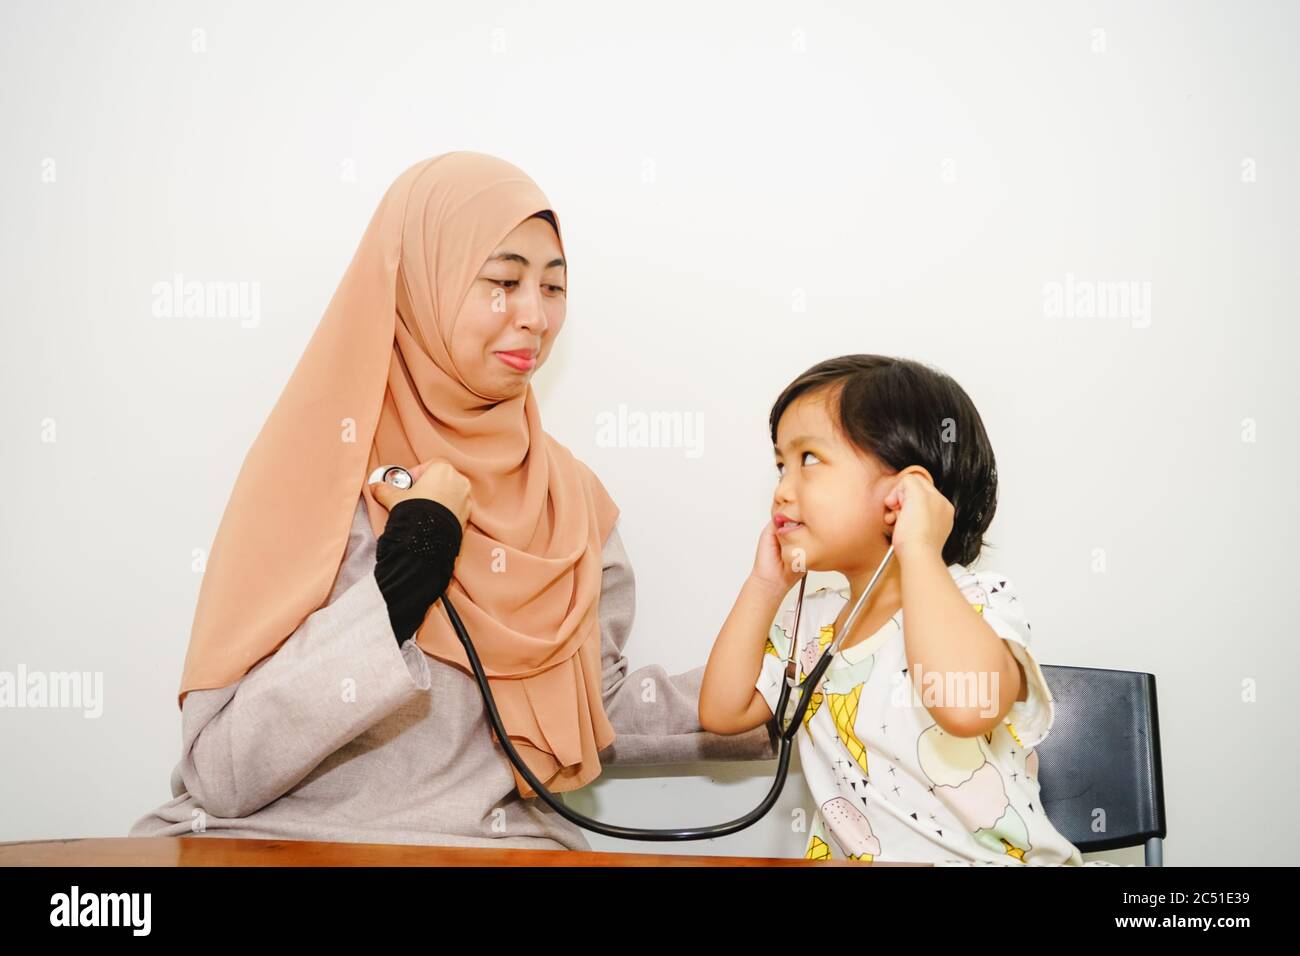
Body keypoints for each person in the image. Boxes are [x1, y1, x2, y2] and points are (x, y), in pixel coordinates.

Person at [129, 151, 774, 851]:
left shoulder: (573, 503)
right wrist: (403, 579)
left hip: (500, 851)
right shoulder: (318, 469)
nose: (534, 316)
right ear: (420, 284)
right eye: (502, 280)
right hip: (281, 843)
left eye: (553, 287)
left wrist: (804, 692)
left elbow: (596, 709)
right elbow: (223, 768)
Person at [700, 354, 1093, 865]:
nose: (781, 489)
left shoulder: (977, 602)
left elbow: (964, 707)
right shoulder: (815, 624)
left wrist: (921, 549)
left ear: (907, 492)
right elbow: (722, 712)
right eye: (781, 465)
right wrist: (763, 585)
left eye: (809, 460)